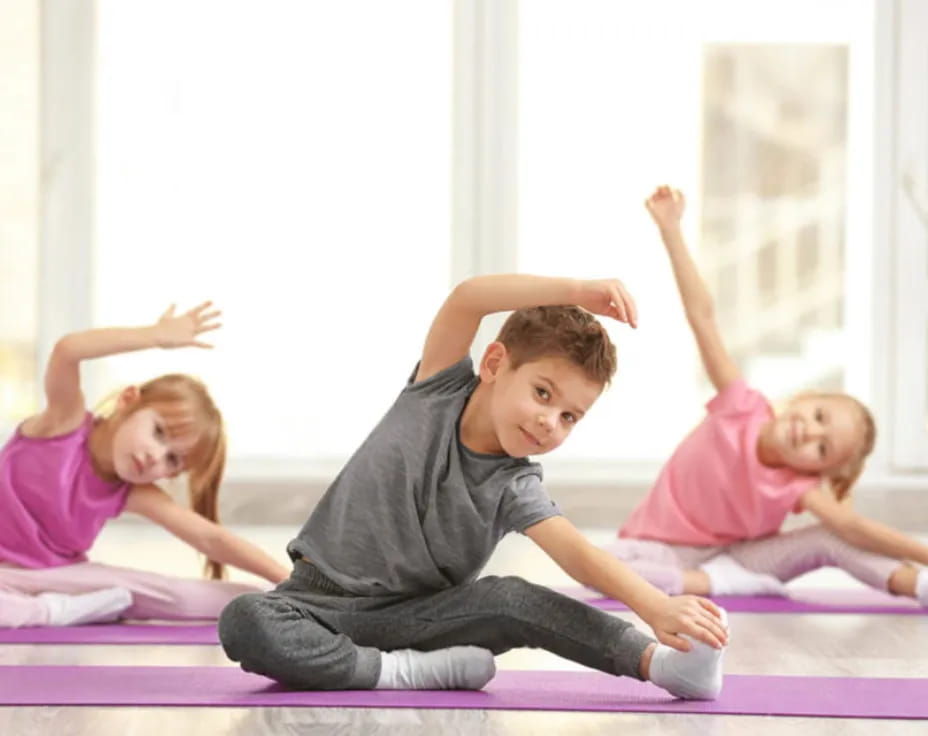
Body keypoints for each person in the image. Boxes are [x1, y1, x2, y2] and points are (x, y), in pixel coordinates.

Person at [218, 274, 729, 700]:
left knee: (511, 598)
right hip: (313, 604)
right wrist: (575, 291)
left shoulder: (515, 484)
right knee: (245, 619)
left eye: (569, 416)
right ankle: (405, 673)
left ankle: (661, 666)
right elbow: (468, 298)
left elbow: (577, 554)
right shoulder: (436, 389)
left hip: (416, 621)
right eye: (543, 393)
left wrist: (655, 606)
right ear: (493, 364)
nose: (550, 421)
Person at [606, 186, 928, 607]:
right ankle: (710, 582)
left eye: (822, 448)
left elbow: (851, 529)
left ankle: (918, 585)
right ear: (804, 399)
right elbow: (702, 316)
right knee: (605, 567)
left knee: (829, 538)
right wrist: (671, 229)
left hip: (741, 561)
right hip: (660, 551)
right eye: (819, 416)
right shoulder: (740, 406)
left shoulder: (797, 487)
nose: (810, 433)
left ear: (819, 471)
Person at [0, 302, 289, 628]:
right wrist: (155, 335)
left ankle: (287, 602)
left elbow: (210, 538)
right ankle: (50, 612)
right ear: (127, 401)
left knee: (177, 596)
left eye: (172, 460)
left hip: (62, 577)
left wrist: (287, 580)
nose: (156, 456)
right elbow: (68, 351)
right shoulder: (63, 424)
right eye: (158, 432)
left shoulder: (132, 492)